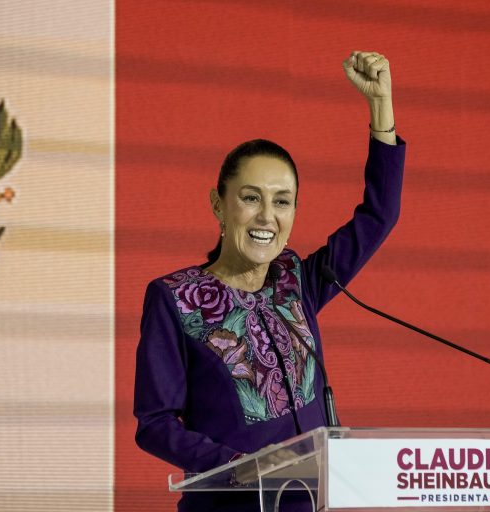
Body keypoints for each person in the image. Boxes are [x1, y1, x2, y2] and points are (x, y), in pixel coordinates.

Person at [134, 50, 406, 511]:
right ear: (219, 205)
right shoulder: (174, 299)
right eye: (250, 198)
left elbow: (378, 216)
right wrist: (242, 465)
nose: (267, 216)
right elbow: (155, 422)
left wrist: (382, 111)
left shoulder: (295, 282)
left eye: (282, 202)